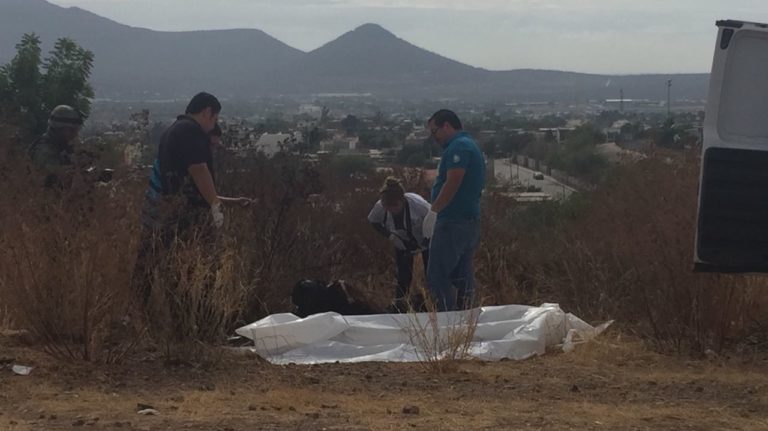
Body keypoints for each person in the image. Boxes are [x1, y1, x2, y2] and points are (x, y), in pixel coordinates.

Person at [135, 92, 250, 304]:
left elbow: (190, 184)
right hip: (181, 218)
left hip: (164, 213)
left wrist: (229, 201)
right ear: (207, 112)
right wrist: (215, 206)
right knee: (187, 270)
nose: (213, 125)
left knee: (153, 266)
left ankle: (140, 312)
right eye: (214, 118)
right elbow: (198, 170)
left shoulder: (173, 130)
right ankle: (186, 317)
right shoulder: (190, 131)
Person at [422, 109, 485, 311]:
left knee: (437, 275)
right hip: (468, 221)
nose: (434, 137)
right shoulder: (469, 145)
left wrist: (434, 210)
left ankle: (447, 321)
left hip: (453, 222)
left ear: (446, 126)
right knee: (462, 276)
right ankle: (466, 317)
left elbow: (453, 181)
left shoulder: (459, 147)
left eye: (435, 131)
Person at [368, 177, 430, 312]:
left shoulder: (418, 205)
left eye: (394, 206)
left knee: (431, 273)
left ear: (402, 200)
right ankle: (400, 306)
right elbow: (373, 221)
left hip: (427, 239)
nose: (391, 210)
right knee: (403, 276)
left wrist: (427, 241)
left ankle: (433, 303)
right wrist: (390, 236)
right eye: (387, 207)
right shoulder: (380, 207)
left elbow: (434, 220)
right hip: (402, 242)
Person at [28, 105, 86, 188]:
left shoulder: (61, 147)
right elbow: (57, 176)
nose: (75, 134)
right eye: (72, 130)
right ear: (59, 128)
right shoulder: (44, 149)